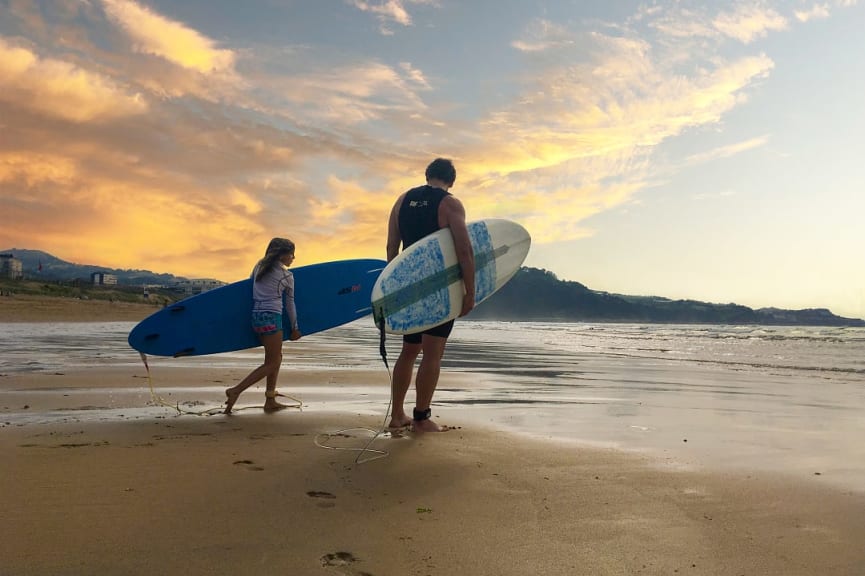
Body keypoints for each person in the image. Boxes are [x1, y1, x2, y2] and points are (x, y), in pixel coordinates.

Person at [385, 158, 475, 432]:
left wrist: (394, 288)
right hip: (438, 289)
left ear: (428, 175)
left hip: (410, 288)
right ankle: (421, 418)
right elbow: (464, 250)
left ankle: (398, 415)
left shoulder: (401, 201)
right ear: (452, 180)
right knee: (433, 352)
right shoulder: (450, 204)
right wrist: (470, 291)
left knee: (409, 351)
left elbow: (392, 248)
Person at [224, 238, 302, 414]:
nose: (293, 258)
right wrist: (295, 328)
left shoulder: (259, 266)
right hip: (272, 318)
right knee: (272, 362)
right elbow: (290, 304)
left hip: (257, 317)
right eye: (291, 254)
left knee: (275, 358)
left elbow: (248, 288)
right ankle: (236, 390)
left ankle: (270, 400)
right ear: (282, 255)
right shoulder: (286, 276)